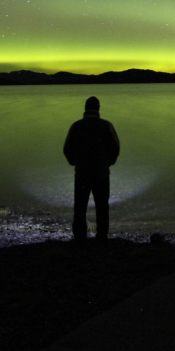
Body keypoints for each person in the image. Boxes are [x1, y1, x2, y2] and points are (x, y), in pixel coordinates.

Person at [63, 96, 120, 242]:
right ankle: (101, 236)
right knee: (102, 206)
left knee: (80, 205)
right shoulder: (106, 125)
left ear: (85, 108)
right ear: (98, 108)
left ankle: (80, 236)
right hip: (101, 173)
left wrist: (74, 163)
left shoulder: (76, 126)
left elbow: (67, 148)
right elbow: (115, 147)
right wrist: (108, 163)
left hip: (82, 173)